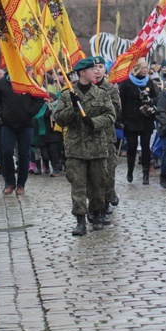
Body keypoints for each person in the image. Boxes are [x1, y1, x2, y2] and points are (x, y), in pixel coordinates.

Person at [53, 57, 116, 236]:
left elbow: (111, 116)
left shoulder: (101, 93)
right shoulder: (67, 94)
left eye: (97, 69)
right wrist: (73, 108)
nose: (96, 72)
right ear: (82, 73)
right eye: (92, 69)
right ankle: (80, 220)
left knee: (98, 183)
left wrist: (94, 122)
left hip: (97, 146)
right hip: (76, 147)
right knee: (78, 185)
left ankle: (96, 214)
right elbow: (58, 119)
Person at [0, 71, 44, 196]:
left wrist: (29, 113)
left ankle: (21, 184)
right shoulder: (2, 83)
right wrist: (2, 114)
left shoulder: (29, 81)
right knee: (7, 152)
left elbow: (39, 99)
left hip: (26, 124)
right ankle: (10, 182)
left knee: (24, 154)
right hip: (8, 124)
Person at [118, 58, 158, 185]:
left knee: (146, 147)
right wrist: (121, 120)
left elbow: (157, 97)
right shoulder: (127, 83)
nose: (145, 70)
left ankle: (145, 172)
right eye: (143, 67)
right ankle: (130, 170)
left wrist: (151, 101)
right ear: (136, 68)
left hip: (146, 119)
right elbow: (121, 103)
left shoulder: (150, 83)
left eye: (146, 67)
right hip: (131, 120)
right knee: (132, 146)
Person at [93, 55, 121, 221]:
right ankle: (96, 205)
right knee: (94, 175)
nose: (97, 70)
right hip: (90, 138)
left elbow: (116, 111)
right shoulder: (83, 88)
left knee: (108, 172)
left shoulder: (111, 89)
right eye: (94, 67)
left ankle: (107, 200)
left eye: (100, 67)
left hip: (107, 136)